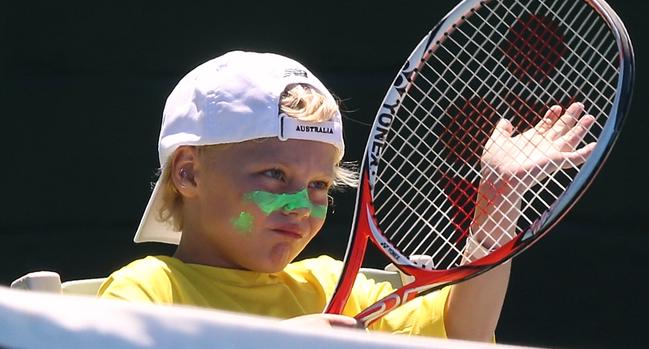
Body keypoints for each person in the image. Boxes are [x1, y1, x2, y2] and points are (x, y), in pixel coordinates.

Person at [98, 50, 594, 341]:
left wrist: (499, 199)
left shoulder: (334, 284)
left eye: (318, 185)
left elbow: (462, 334)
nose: (299, 206)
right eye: (273, 174)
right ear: (188, 174)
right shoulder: (144, 292)